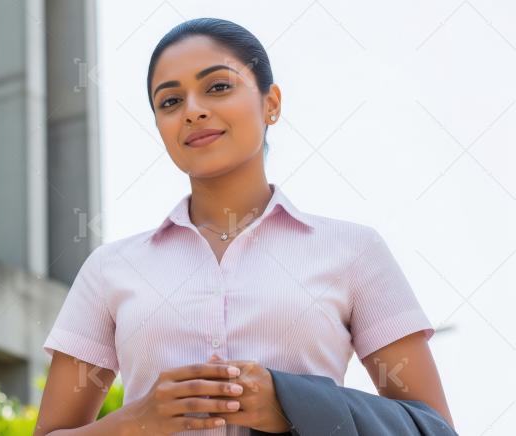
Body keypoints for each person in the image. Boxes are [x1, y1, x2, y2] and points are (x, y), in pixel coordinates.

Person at [35, 17, 455, 435]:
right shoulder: (110, 269)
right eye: (170, 102)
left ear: (271, 103)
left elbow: (432, 428)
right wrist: (136, 422)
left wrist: (293, 403)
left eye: (218, 86)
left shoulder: (353, 251)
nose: (193, 110)